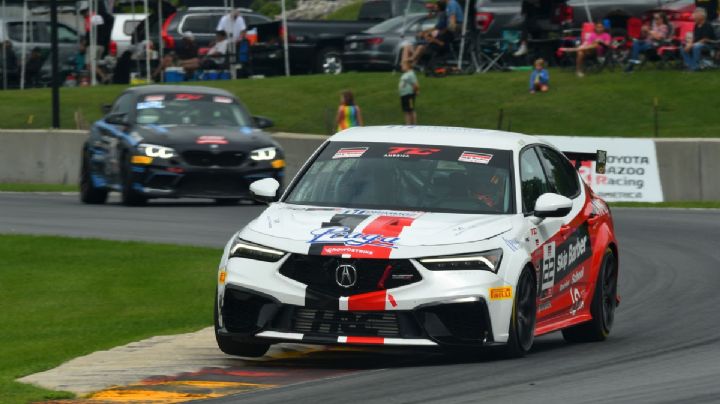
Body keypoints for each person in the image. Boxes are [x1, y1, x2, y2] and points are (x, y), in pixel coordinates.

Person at [407, 0, 452, 65]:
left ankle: (414, 59)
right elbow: (430, 16)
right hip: (433, 41)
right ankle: (414, 61)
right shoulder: (441, 13)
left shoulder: (442, 15)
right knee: (414, 45)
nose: (434, 7)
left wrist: (427, 33)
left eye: (436, 6)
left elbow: (438, 27)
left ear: (439, 7)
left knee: (420, 45)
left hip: (435, 45)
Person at [399, 60, 419, 125]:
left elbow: (415, 84)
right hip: (403, 95)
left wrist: (416, 91)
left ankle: (413, 124)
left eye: (403, 65)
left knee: (410, 109)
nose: (401, 66)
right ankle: (408, 124)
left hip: (409, 95)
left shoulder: (411, 74)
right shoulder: (405, 74)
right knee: (406, 110)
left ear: (408, 66)